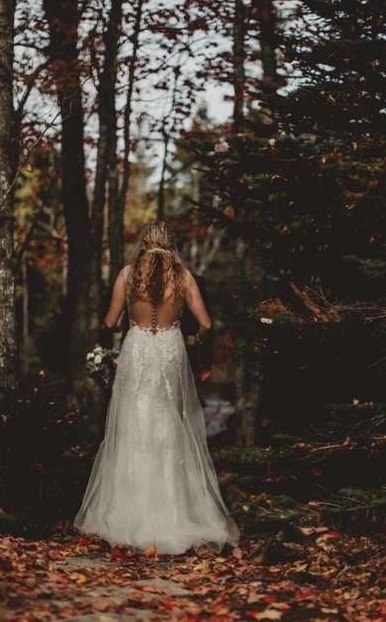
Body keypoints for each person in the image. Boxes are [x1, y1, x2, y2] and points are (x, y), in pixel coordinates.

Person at [73, 221, 240, 555]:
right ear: (171, 244)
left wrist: (124, 324)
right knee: (166, 422)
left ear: (142, 242)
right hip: (169, 349)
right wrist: (194, 339)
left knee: (134, 422)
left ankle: (128, 518)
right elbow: (206, 323)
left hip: (137, 348)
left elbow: (109, 323)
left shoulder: (127, 275)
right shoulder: (183, 276)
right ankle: (173, 514)